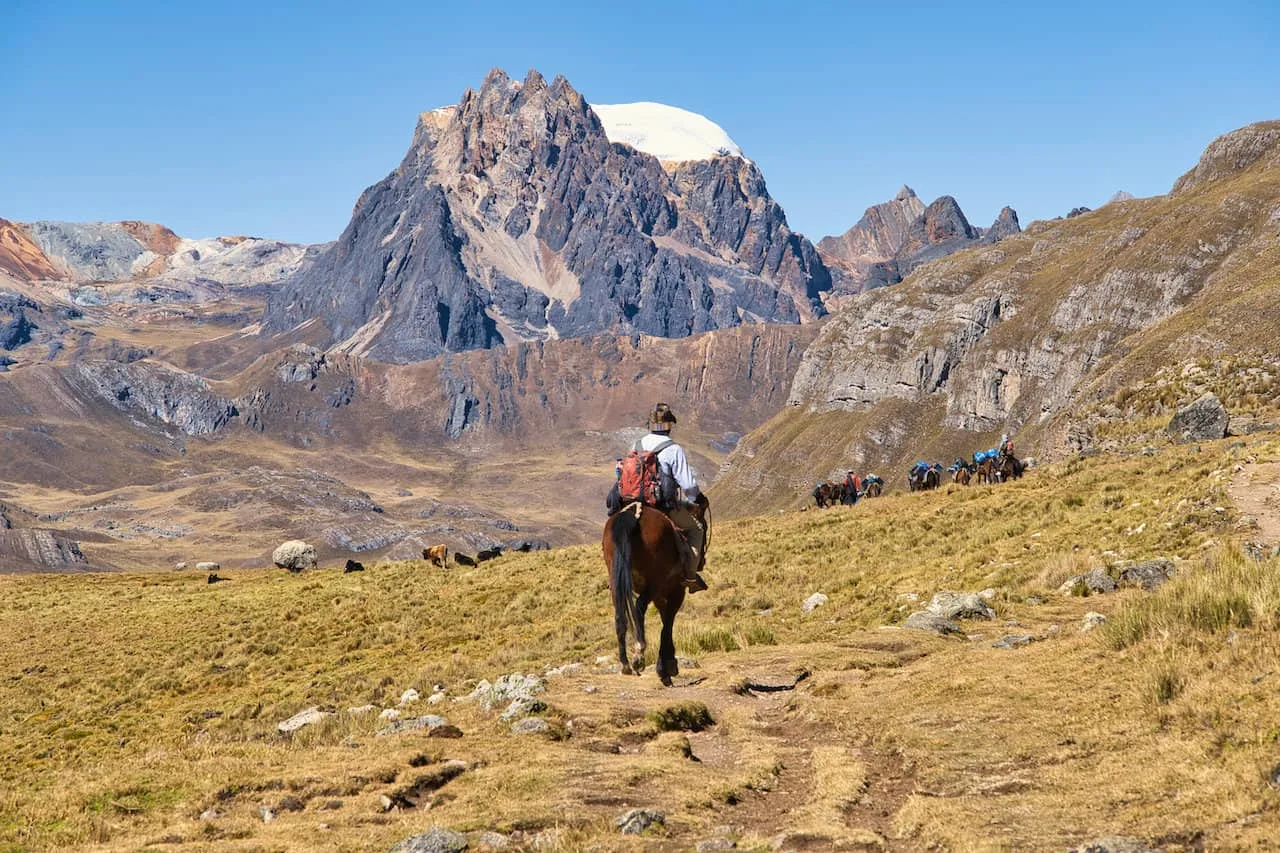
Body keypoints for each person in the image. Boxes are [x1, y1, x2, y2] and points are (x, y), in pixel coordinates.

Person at [634, 402, 709, 593]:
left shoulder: (636, 445)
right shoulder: (673, 449)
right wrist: (700, 500)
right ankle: (690, 576)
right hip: (661, 506)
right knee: (696, 528)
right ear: (669, 425)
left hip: (635, 504)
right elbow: (689, 486)